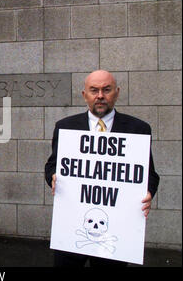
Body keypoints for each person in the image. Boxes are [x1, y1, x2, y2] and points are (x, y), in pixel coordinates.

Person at [44, 69, 160, 267]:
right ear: (84, 95)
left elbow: (149, 174)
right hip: (72, 233)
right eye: (94, 90)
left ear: (117, 92)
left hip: (115, 239)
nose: (100, 96)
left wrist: (148, 192)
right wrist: (53, 176)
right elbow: (52, 165)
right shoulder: (65, 127)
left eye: (106, 90)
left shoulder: (138, 129)